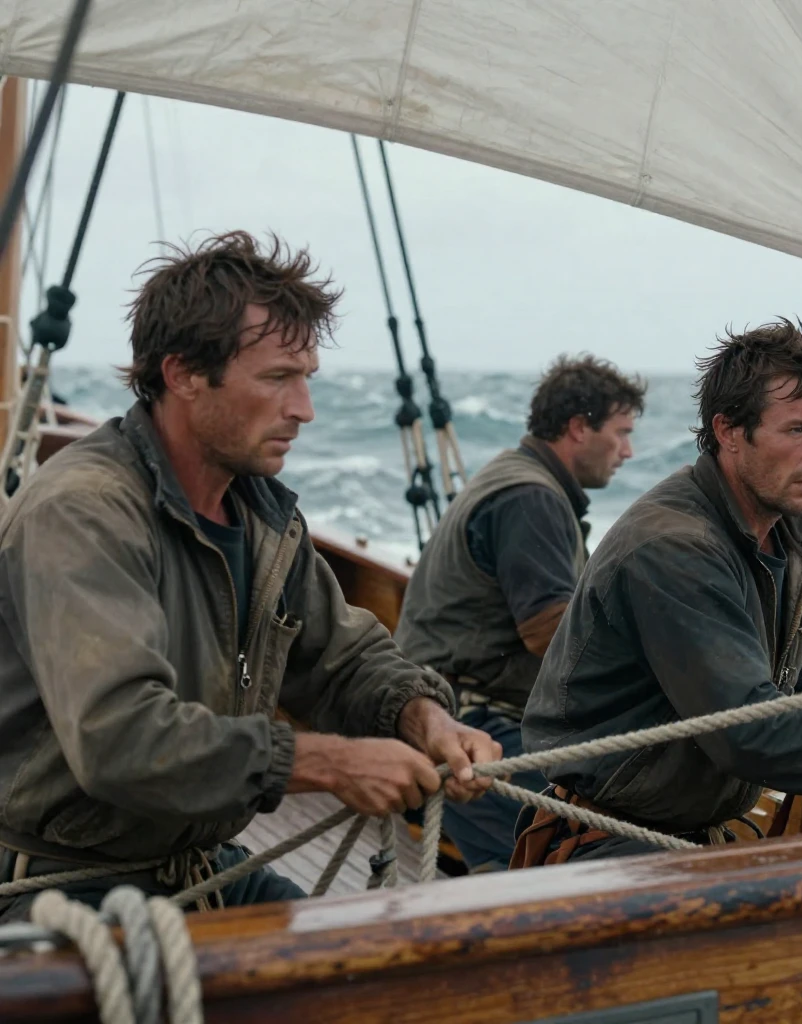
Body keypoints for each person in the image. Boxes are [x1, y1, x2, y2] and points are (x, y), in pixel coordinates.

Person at [0, 231, 500, 922]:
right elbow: (121, 739)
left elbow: (343, 658)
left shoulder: (259, 514)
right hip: (62, 881)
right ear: (181, 374)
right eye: (277, 378)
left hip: (199, 865)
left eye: (307, 379)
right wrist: (329, 764)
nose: (304, 409)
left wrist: (424, 717)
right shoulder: (83, 513)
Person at [514, 320, 802, 866]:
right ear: (729, 430)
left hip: (683, 834)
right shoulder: (674, 547)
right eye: (800, 430)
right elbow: (747, 731)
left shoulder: (778, 536)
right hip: (607, 842)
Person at [394, 355, 647, 871]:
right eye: (621, 433)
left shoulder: (520, 478)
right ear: (579, 428)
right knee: (623, 835)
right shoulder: (531, 498)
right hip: (468, 730)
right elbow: (550, 632)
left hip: (455, 713)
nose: (628, 451)